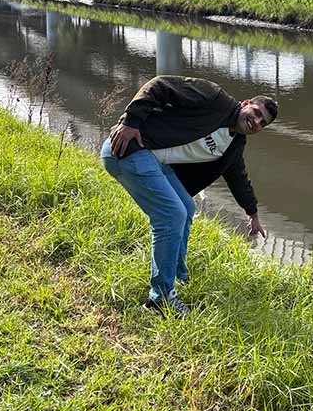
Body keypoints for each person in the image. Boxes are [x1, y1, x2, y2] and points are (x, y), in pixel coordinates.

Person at [101, 76, 278, 317]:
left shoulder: (235, 144)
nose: (256, 121)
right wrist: (130, 121)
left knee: (186, 207)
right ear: (246, 103)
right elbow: (160, 85)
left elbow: (238, 178)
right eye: (256, 113)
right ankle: (160, 298)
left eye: (262, 122)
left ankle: (175, 274)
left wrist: (252, 213)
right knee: (172, 215)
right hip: (129, 147)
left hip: (154, 160)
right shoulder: (214, 97)